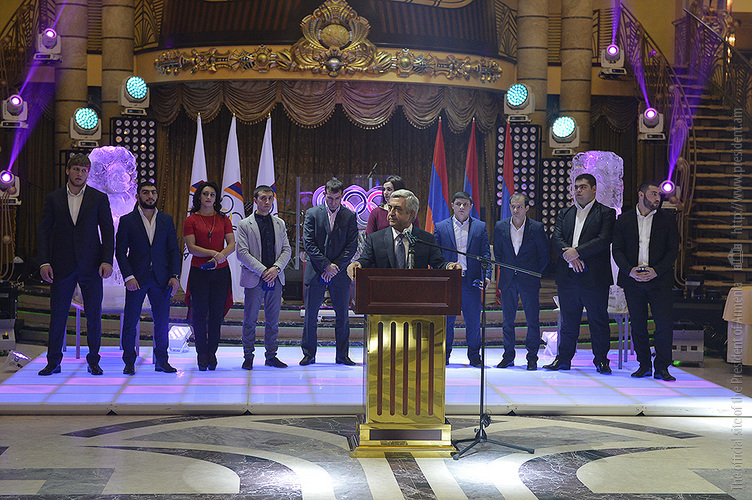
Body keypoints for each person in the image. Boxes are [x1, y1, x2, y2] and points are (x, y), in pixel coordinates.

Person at [37, 153, 114, 376]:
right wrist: (44, 262)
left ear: (88, 174)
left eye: (84, 170)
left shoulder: (99, 198)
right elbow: (44, 232)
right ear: (68, 171)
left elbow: (108, 231)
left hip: (92, 265)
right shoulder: (54, 198)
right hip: (61, 265)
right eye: (76, 169)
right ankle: (53, 361)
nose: (80, 174)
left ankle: (94, 361)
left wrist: (107, 260)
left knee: (94, 316)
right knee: (58, 315)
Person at [545, 173, 616, 374]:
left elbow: (604, 239)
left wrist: (578, 252)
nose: (578, 190)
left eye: (583, 187)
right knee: (568, 321)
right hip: (568, 277)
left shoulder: (606, 213)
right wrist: (570, 256)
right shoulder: (565, 212)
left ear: (594, 189)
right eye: (576, 187)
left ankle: (601, 360)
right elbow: (556, 237)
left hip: (594, 277)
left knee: (598, 321)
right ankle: (563, 359)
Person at [612, 182, 680, 381]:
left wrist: (656, 270)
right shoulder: (624, 220)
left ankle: (662, 367)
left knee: (663, 325)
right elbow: (617, 249)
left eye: (658, 194)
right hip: (633, 279)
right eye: (653, 194)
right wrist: (630, 270)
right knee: (638, 325)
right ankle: (644, 365)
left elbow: (673, 250)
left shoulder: (667, 219)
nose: (658, 197)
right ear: (641, 195)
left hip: (659, 279)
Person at [116, 181, 181, 375]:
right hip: (136, 278)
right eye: (145, 192)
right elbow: (120, 252)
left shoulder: (166, 220)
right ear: (138, 196)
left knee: (162, 322)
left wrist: (175, 276)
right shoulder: (127, 220)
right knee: (130, 321)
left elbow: (173, 250)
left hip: (161, 278)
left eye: (153, 192)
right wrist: (128, 276)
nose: (150, 196)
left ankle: (162, 360)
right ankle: (129, 361)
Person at [300, 178, 359, 366]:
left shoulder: (349, 215)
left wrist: (335, 267)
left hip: (339, 273)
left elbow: (352, 245)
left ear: (342, 196)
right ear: (324, 195)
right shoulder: (312, 213)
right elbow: (308, 243)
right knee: (310, 315)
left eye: (336, 198)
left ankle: (342, 355)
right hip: (316, 270)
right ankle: (309, 354)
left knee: (343, 316)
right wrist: (326, 265)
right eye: (330, 198)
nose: (333, 202)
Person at [236, 185, 292, 370]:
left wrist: (275, 268)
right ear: (255, 200)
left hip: (275, 277)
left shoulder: (279, 223)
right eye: (263, 198)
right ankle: (248, 356)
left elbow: (287, 250)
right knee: (250, 319)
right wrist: (263, 271)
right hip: (255, 278)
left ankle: (271, 356)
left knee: (273, 321)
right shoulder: (245, 224)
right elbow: (242, 253)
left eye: (270, 198)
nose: (267, 202)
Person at [493, 193, 550, 371]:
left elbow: (544, 255)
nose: (515, 210)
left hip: (529, 280)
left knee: (532, 320)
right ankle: (508, 356)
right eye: (513, 206)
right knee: (507, 321)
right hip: (508, 279)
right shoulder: (500, 226)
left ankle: (532, 358)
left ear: (527, 208)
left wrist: (534, 273)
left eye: (519, 207)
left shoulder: (537, 227)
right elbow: (499, 253)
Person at [434, 191, 491, 367]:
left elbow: (486, 254)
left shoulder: (479, 227)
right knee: (447, 322)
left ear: (471, 206)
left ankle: (474, 356)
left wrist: (487, 276)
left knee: (473, 322)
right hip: (449, 282)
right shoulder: (441, 227)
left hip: (471, 281)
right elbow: (436, 256)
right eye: (458, 203)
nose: (461, 207)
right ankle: (444, 355)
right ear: (452, 205)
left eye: (465, 204)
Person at [183, 181, 235, 371]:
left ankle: (212, 353)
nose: (208, 197)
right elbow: (191, 247)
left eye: (212, 194)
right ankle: (201, 354)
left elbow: (232, 244)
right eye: (205, 194)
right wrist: (214, 253)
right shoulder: (191, 220)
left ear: (216, 198)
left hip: (220, 272)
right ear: (199, 197)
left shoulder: (223, 219)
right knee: (199, 314)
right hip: (200, 271)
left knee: (216, 314)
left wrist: (221, 256)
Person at [348, 189, 461, 274]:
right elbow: (365, 260)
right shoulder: (375, 239)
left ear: (411, 214)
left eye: (397, 209)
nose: (391, 213)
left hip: (416, 295)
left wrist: (449, 266)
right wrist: (357, 264)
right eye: (390, 208)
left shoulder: (426, 239)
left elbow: (439, 263)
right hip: (384, 294)